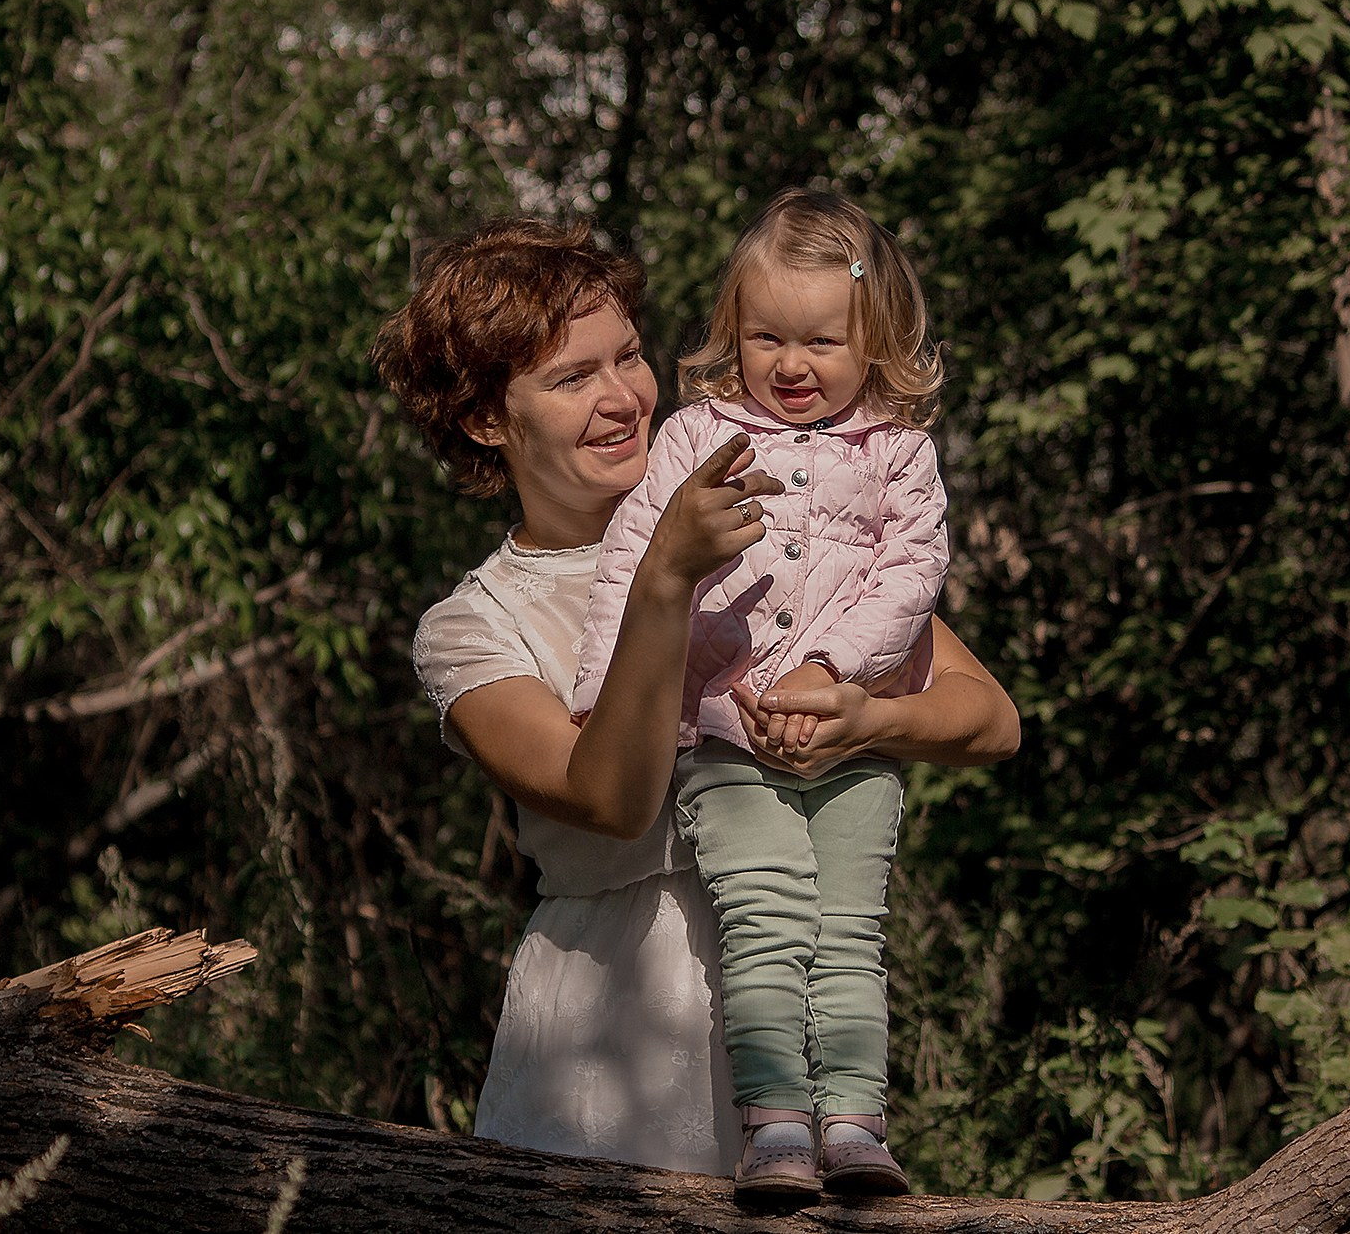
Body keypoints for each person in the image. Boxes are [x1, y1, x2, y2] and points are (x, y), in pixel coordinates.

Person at [373, 215, 1018, 1182]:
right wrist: (664, 579)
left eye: (626, 356)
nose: (620, 397)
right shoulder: (472, 626)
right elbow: (612, 798)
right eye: (570, 377)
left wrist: (871, 720)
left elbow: (992, 719)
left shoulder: (780, 512)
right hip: (607, 1026)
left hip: (790, 1006)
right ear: (486, 420)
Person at [572, 189, 944, 1198]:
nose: (790, 363)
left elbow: (911, 575)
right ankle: (776, 1122)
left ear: (873, 342)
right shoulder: (696, 438)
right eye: (765, 335)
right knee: (769, 917)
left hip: (852, 745)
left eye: (821, 341)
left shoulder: (898, 455)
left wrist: (837, 673)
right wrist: (599, 686)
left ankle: (856, 1121)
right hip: (726, 738)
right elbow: (631, 564)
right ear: (731, 332)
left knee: (848, 928)